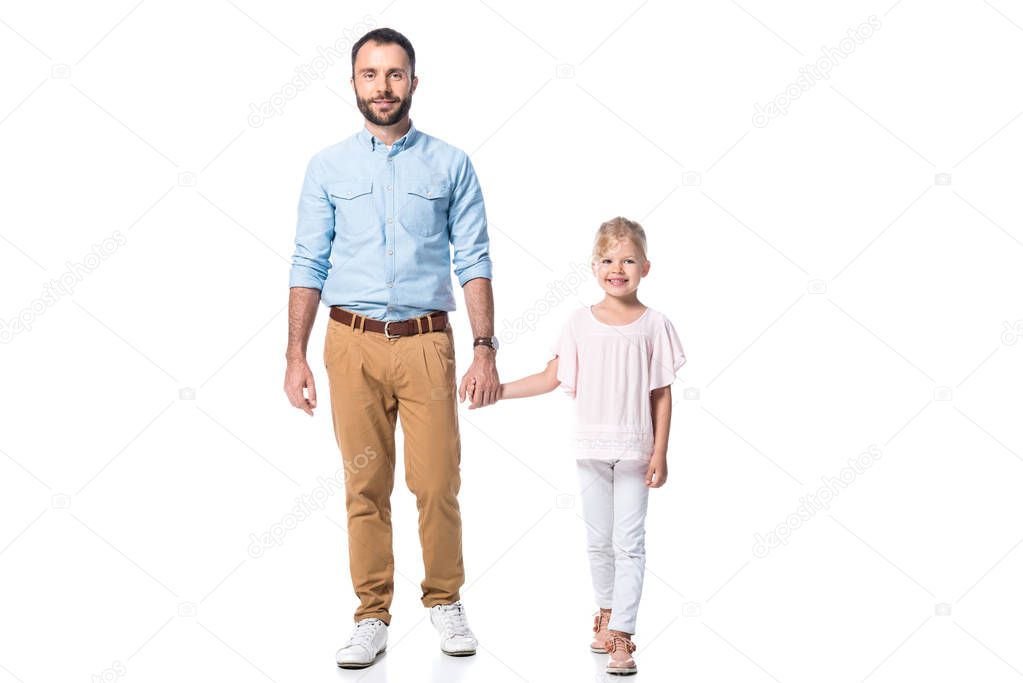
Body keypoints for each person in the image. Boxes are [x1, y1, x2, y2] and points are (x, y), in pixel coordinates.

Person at [283, 27, 502, 670]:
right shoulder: (326, 167)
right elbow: (307, 260)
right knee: (364, 485)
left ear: (414, 80)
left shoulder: (452, 164)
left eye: (395, 74)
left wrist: (485, 348)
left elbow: (475, 259)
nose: (384, 86)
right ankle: (371, 614)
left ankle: (445, 600)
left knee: (436, 483)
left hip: (426, 342)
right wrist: (295, 355)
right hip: (349, 343)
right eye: (371, 74)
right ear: (353, 83)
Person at [473, 216, 685, 675]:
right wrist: (498, 390)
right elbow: (551, 377)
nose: (618, 267)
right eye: (608, 259)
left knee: (629, 542)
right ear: (593, 266)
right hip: (590, 448)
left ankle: (624, 634)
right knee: (597, 540)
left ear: (645, 267)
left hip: (636, 451)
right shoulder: (577, 323)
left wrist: (661, 451)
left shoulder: (655, 325)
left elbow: (661, 393)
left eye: (628, 260)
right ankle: (606, 612)